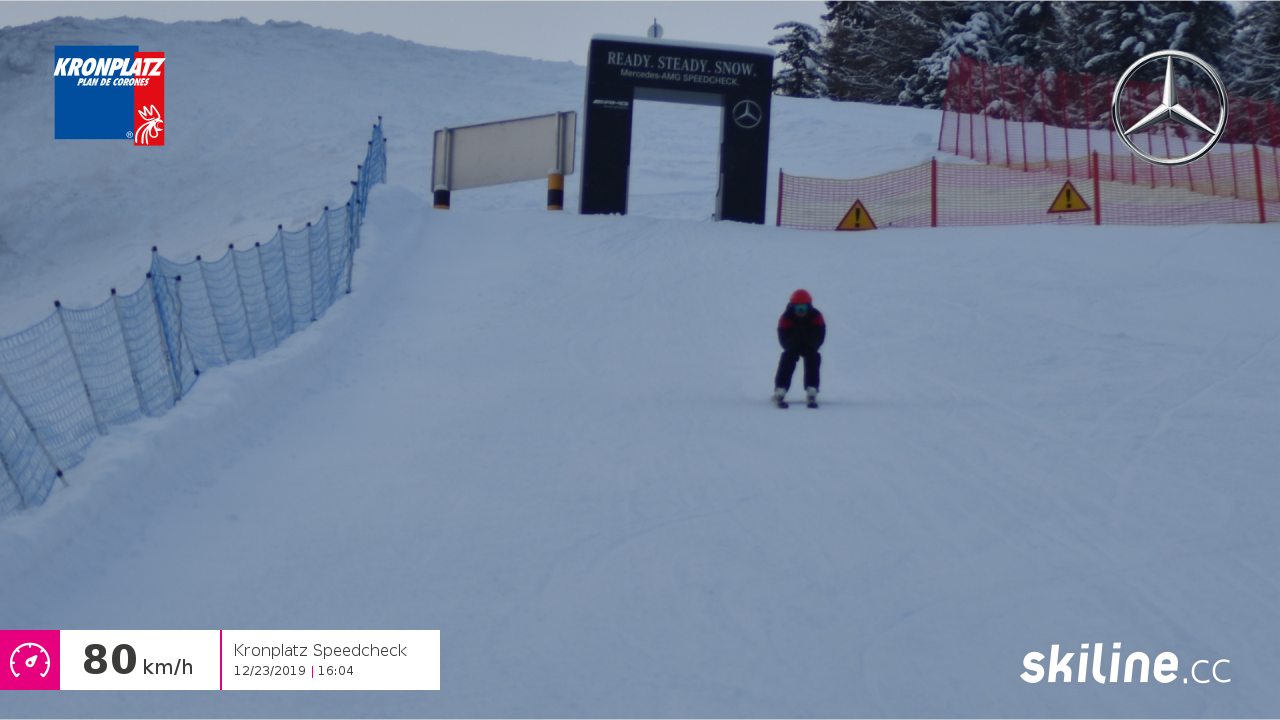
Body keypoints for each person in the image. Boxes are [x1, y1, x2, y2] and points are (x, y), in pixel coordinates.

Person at [773, 289, 825, 408]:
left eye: (804, 307)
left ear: (809, 306)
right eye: (798, 308)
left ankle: (812, 388)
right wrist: (796, 340)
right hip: (792, 345)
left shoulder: (816, 316)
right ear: (792, 307)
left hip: (810, 345)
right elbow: (783, 340)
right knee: (787, 357)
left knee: (814, 357)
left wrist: (810, 344)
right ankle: (781, 388)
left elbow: (820, 336)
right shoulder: (786, 318)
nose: (801, 311)